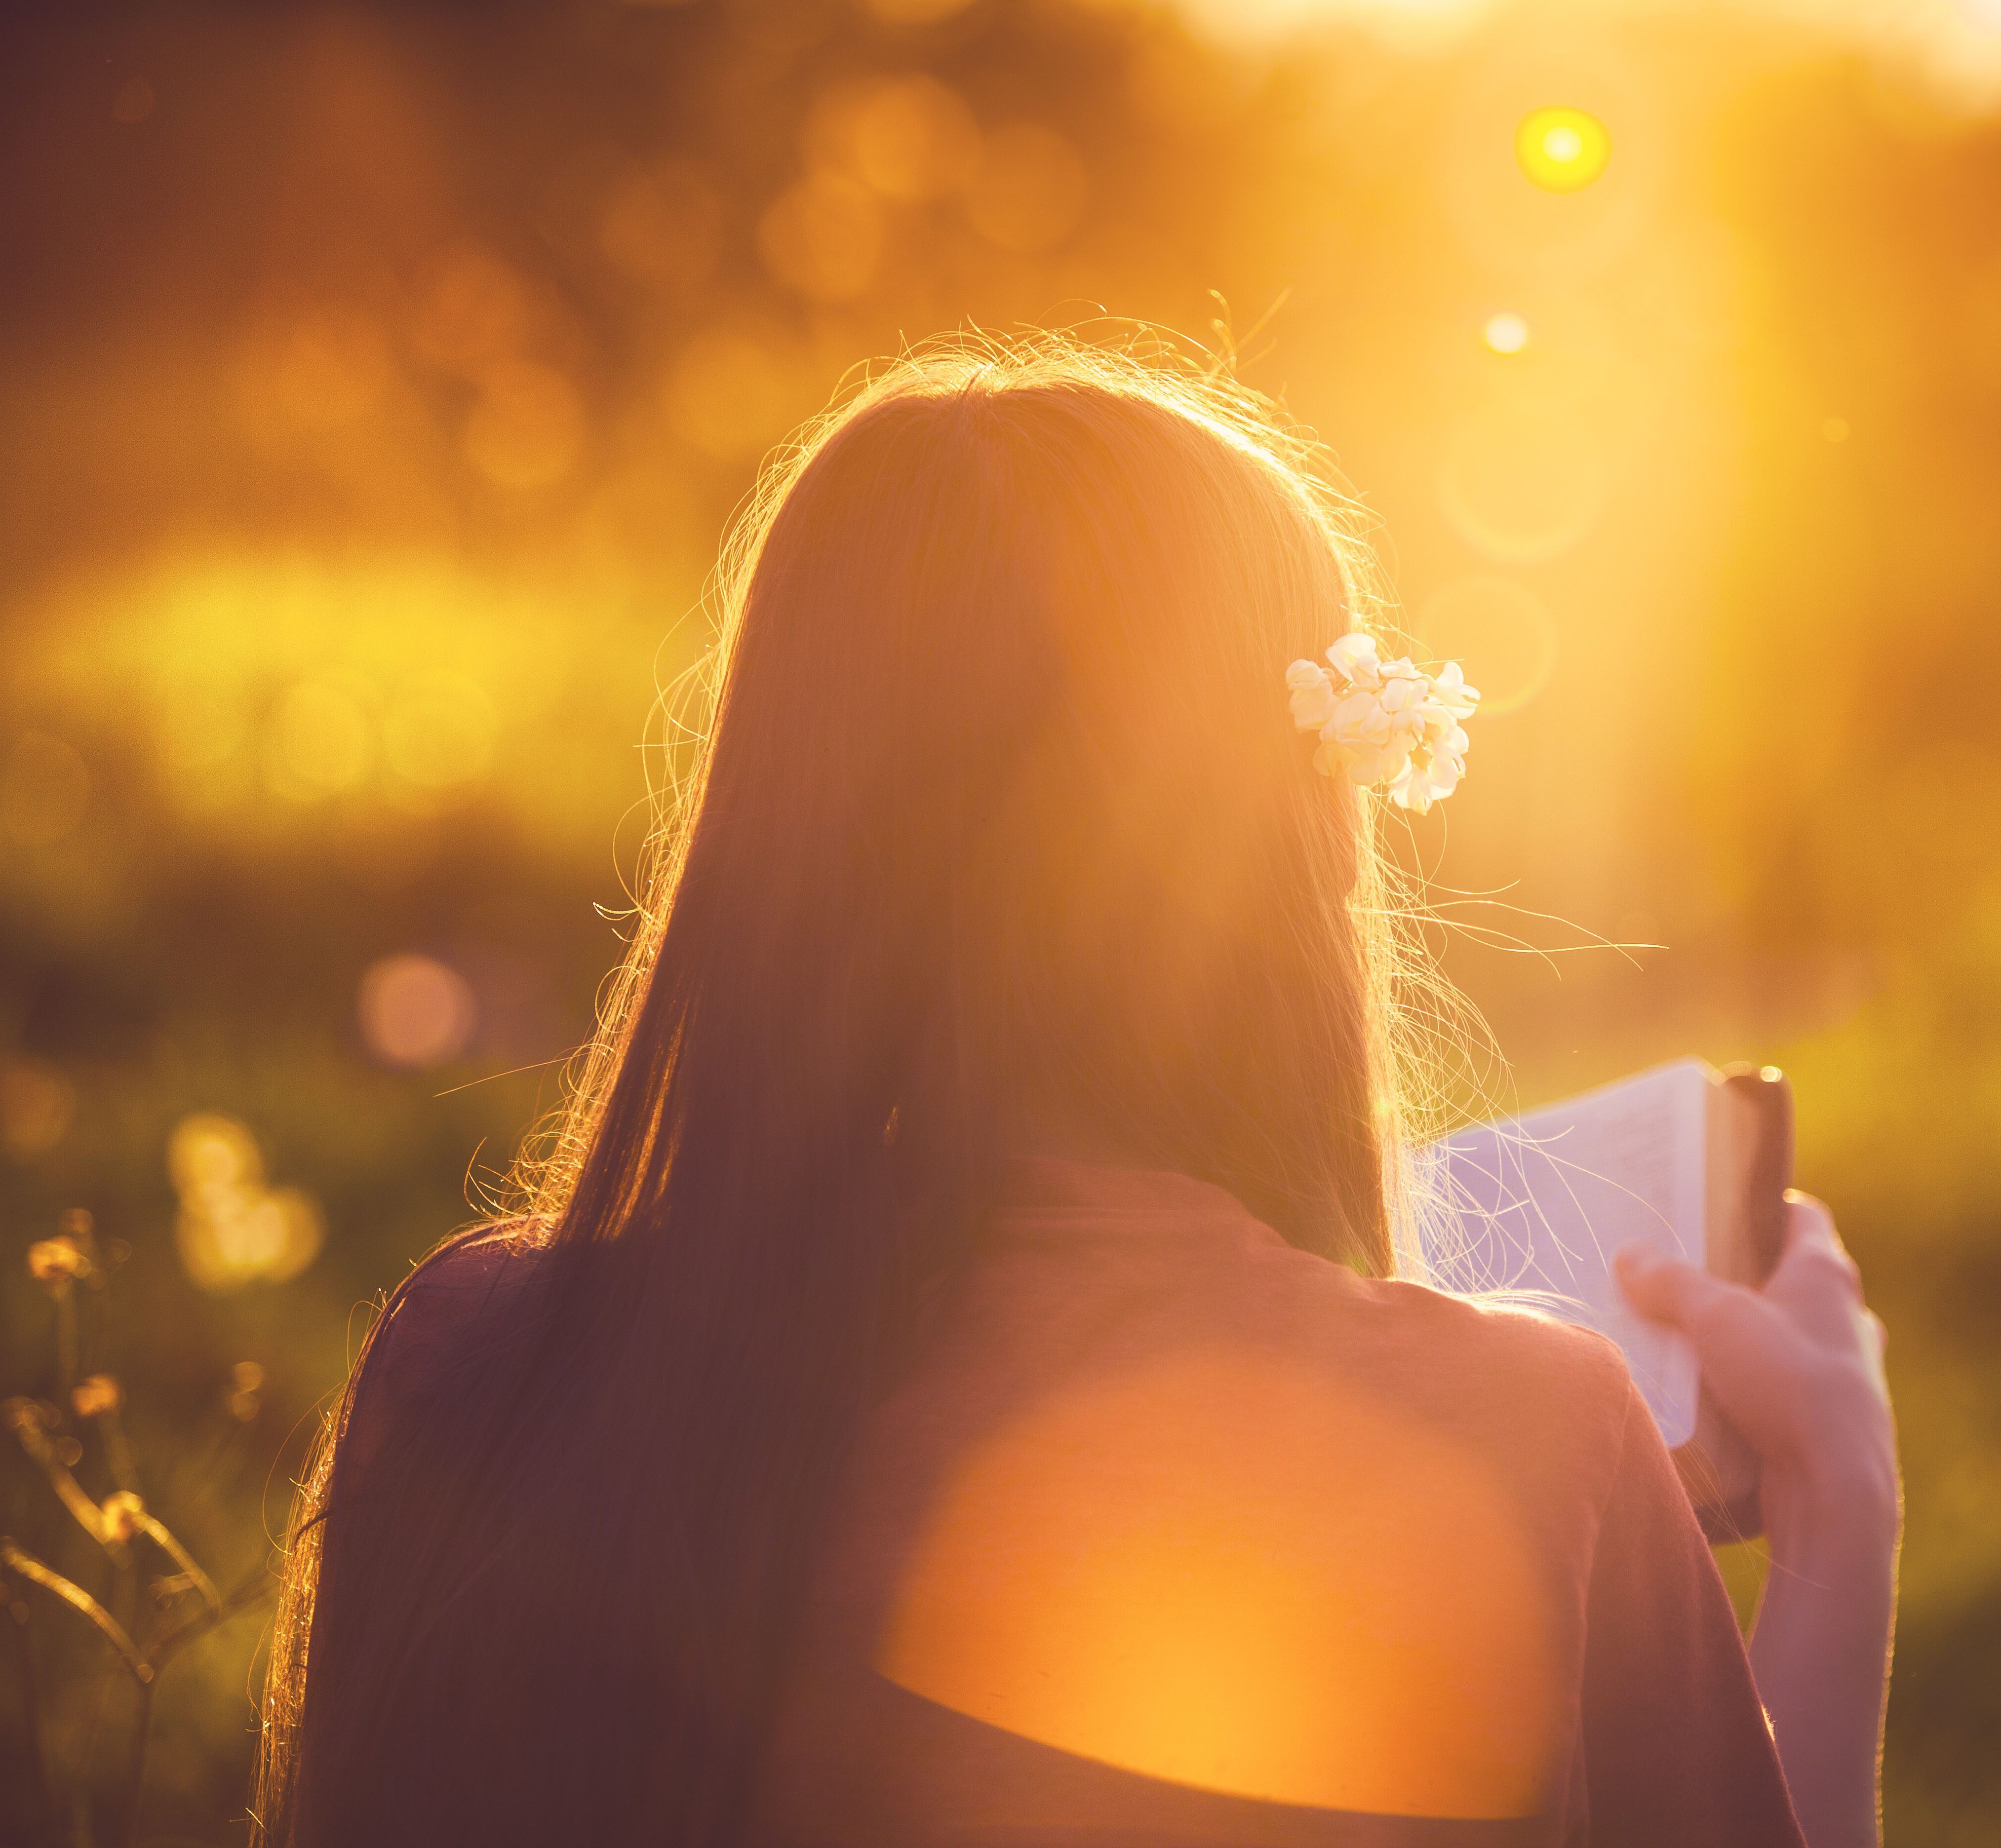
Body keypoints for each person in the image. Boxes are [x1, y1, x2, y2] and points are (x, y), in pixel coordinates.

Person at [252, 335, 1899, 1848]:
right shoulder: (1537, 1439)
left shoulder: (479, 1375)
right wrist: (1836, 1545)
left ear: (777, 805)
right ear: (1295, 842)